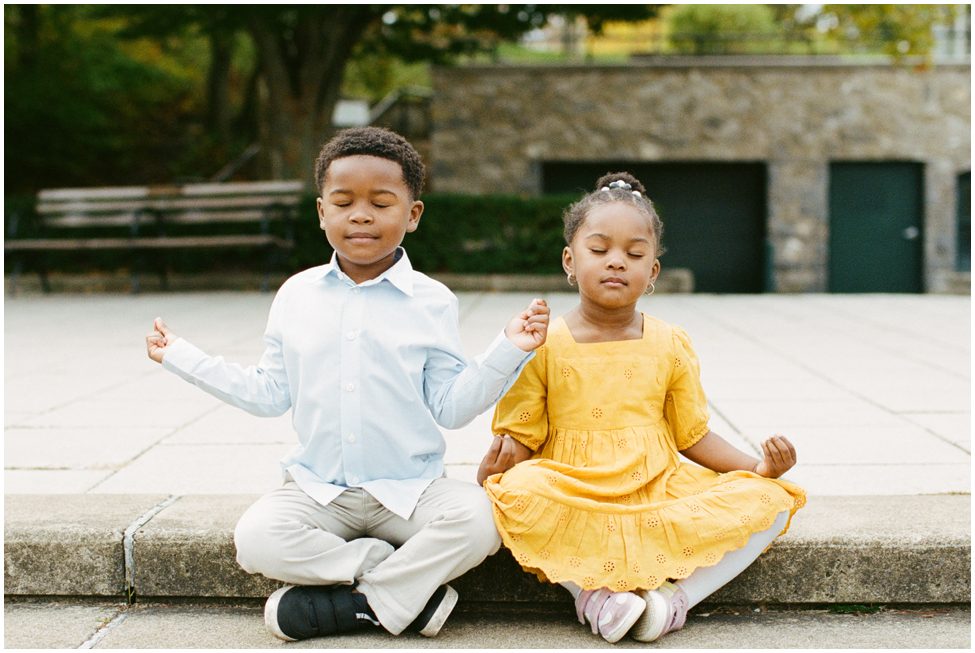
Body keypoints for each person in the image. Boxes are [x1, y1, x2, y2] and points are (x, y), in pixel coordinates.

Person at [146, 127, 550, 642]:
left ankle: (363, 603)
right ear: (321, 212)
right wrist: (182, 356)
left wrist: (507, 350)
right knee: (256, 540)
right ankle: (399, 587)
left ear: (413, 214)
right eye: (344, 202)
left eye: (381, 203)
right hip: (320, 489)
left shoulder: (432, 301)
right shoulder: (296, 295)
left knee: (480, 521)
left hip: (409, 490)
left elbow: (449, 408)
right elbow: (268, 393)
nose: (361, 214)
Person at [477, 172, 805, 644]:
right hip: (574, 485)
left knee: (772, 501)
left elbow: (692, 434)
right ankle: (594, 595)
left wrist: (758, 467)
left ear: (652, 272)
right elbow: (520, 440)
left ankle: (672, 602)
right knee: (514, 495)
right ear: (570, 260)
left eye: (633, 254)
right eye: (599, 250)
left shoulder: (671, 343)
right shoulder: (542, 344)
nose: (616, 263)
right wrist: (496, 471)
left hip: (656, 482)